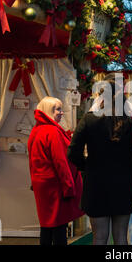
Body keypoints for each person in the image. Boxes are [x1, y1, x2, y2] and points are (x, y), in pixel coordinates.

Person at [68, 74, 132, 245]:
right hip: (123, 182)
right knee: (121, 236)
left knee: (99, 237)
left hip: (95, 183)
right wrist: (131, 159)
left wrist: (86, 166)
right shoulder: (130, 119)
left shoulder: (89, 119)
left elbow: (73, 152)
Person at [28, 97, 84, 245]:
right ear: (48, 111)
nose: (61, 113)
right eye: (57, 109)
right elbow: (61, 162)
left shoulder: (36, 130)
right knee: (59, 226)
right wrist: (69, 187)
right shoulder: (52, 132)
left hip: (43, 185)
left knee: (47, 225)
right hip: (56, 187)